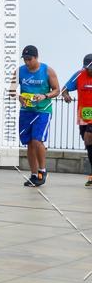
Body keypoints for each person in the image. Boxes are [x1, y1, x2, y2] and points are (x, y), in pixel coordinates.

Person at [16, 46, 59, 187]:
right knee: (29, 143)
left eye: (30, 59)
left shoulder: (47, 70)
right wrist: (18, 97)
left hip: (43, 110)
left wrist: (44, 95)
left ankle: (42, 171)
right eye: (25, 59)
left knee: (37, 140)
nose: (27, 62)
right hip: (26, 111)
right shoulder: (20, 71)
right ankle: (34, 175)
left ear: (36, 57)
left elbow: (57, 90)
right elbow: (10, 89)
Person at [61, 53, 92, 188]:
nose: (89, 70)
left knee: (89, 137)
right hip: (83, 116)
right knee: (88, 145)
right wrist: (66, 95)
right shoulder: (79, 74)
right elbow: (64, 89)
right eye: (87, 67)